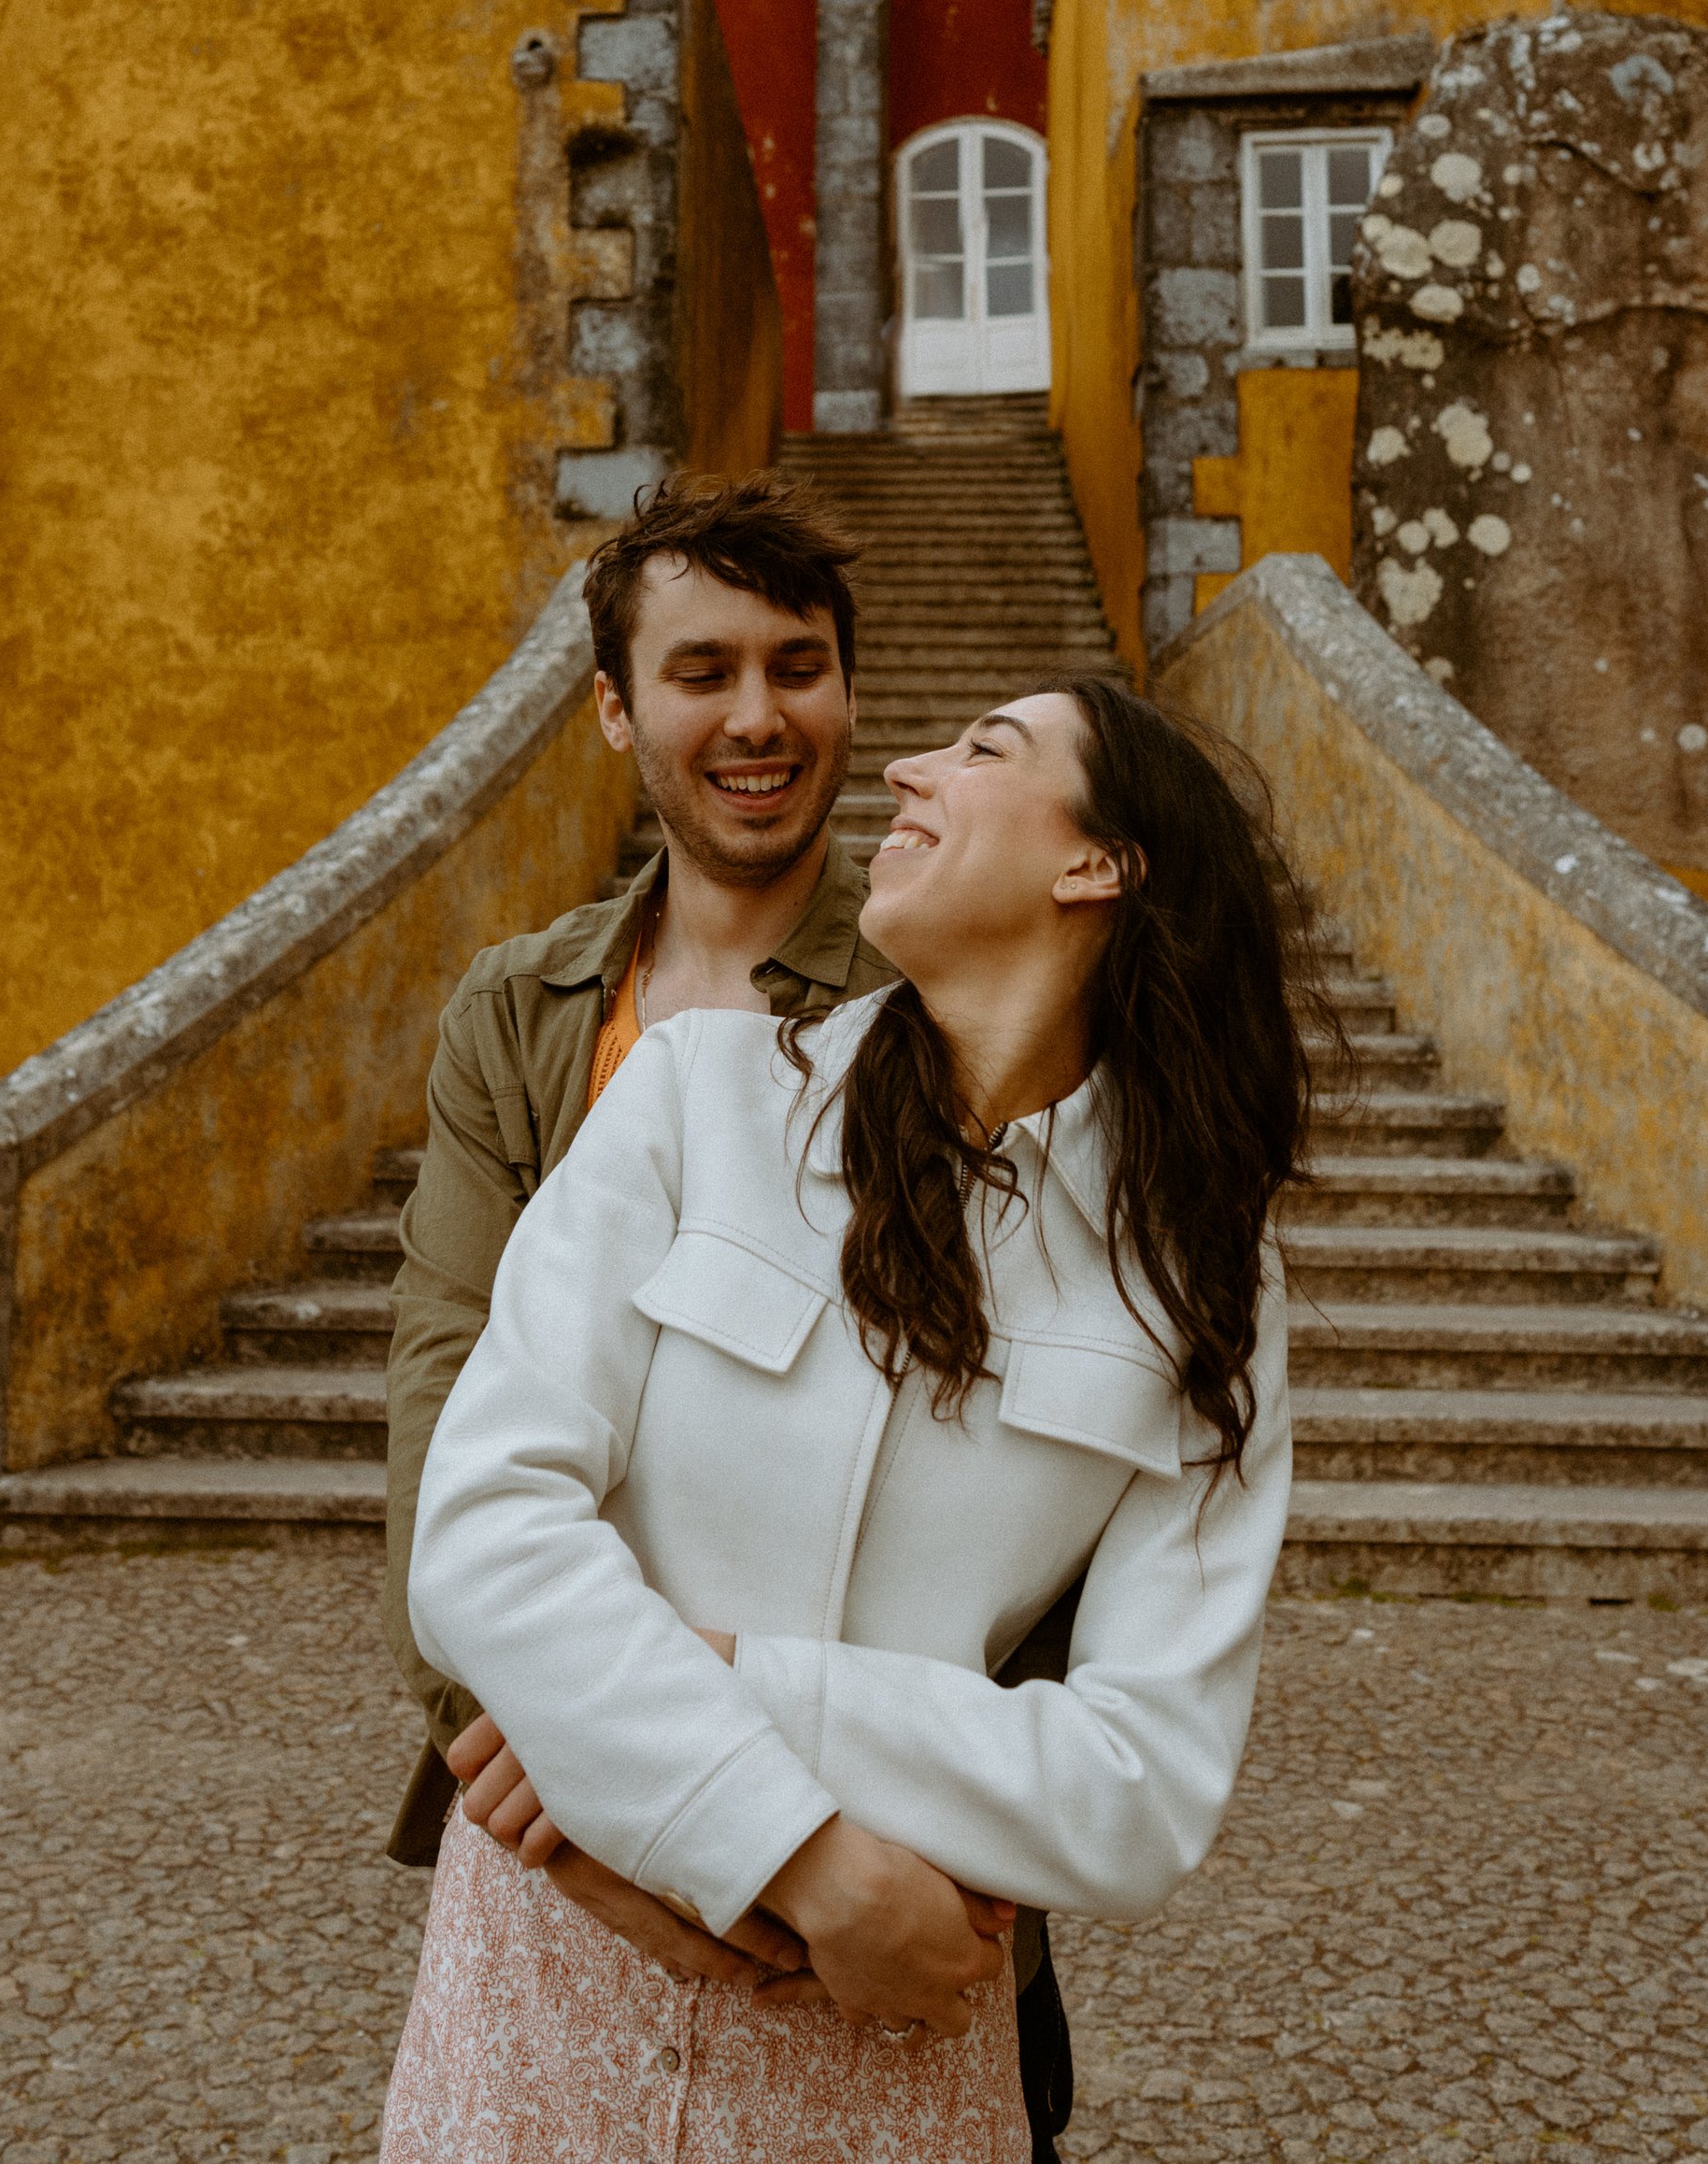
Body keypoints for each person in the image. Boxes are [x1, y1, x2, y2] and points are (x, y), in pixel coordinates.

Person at [378, 672, 1316, 2162]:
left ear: (1099, 862)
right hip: (565, 1974)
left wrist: (722, 1684)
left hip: (895, 2025)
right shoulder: (698, 1096)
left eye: (984, 749)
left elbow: (1147, 1786)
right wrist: (814, 1860)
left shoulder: (1206, 1279)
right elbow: (486, 1534)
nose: (907, 773)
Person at [382, 473, 1083, 2156]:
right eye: (704, 673)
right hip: (548, 1800)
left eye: (801, 664)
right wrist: (549, 1782)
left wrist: (917, 1842)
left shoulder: (950, 997)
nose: (760, 716)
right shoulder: (521, 1012)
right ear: (618, 710)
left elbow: (1046, 1467)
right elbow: (447, 1398)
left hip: (884, 1838)